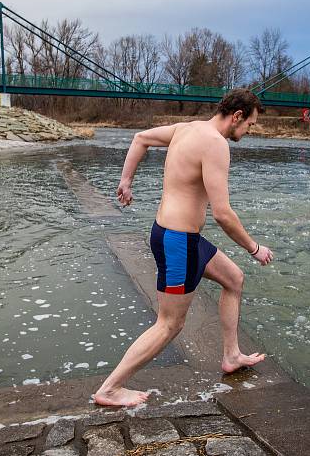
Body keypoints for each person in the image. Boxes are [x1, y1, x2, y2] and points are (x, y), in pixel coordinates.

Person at [93, 88, 274, 407]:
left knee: (234, 280)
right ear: (237, 116)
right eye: (251, 125)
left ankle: (231, 355)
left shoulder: (187, 128)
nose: (249, 131)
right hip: (178, 244)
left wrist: (126, 181)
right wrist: (253, 247)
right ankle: (110, 388)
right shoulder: (216, 144)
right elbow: (222, 213)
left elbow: (140, 138)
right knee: (170, 324)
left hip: (175, 236)